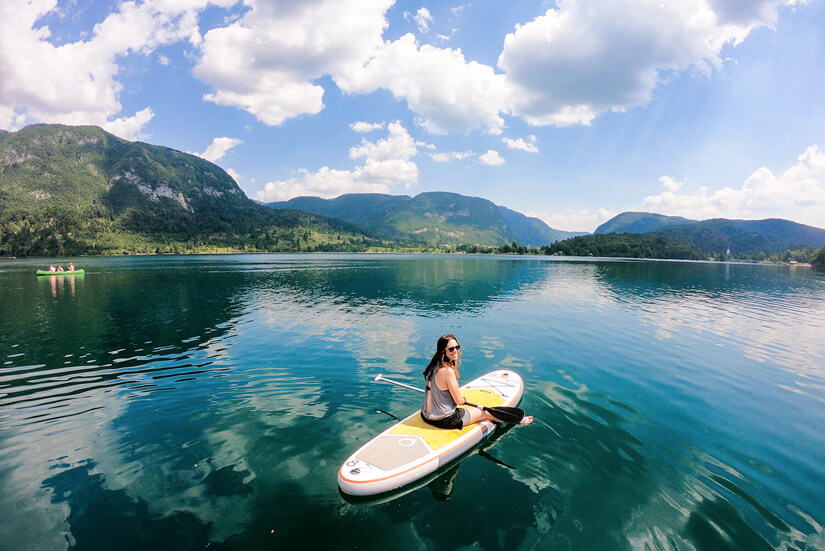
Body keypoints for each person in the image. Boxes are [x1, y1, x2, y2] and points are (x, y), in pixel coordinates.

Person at [420, 334, 533, 430]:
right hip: (445, 420)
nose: (455, 351)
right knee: (486, 412)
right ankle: (519, 421)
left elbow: (431, 390)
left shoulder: (433, 366)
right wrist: (464, 400)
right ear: (443, 351)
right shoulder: (448, 371)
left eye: (457, 347)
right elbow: (458, 401)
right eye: (451, 349)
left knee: (472, 410)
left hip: (426, 415)